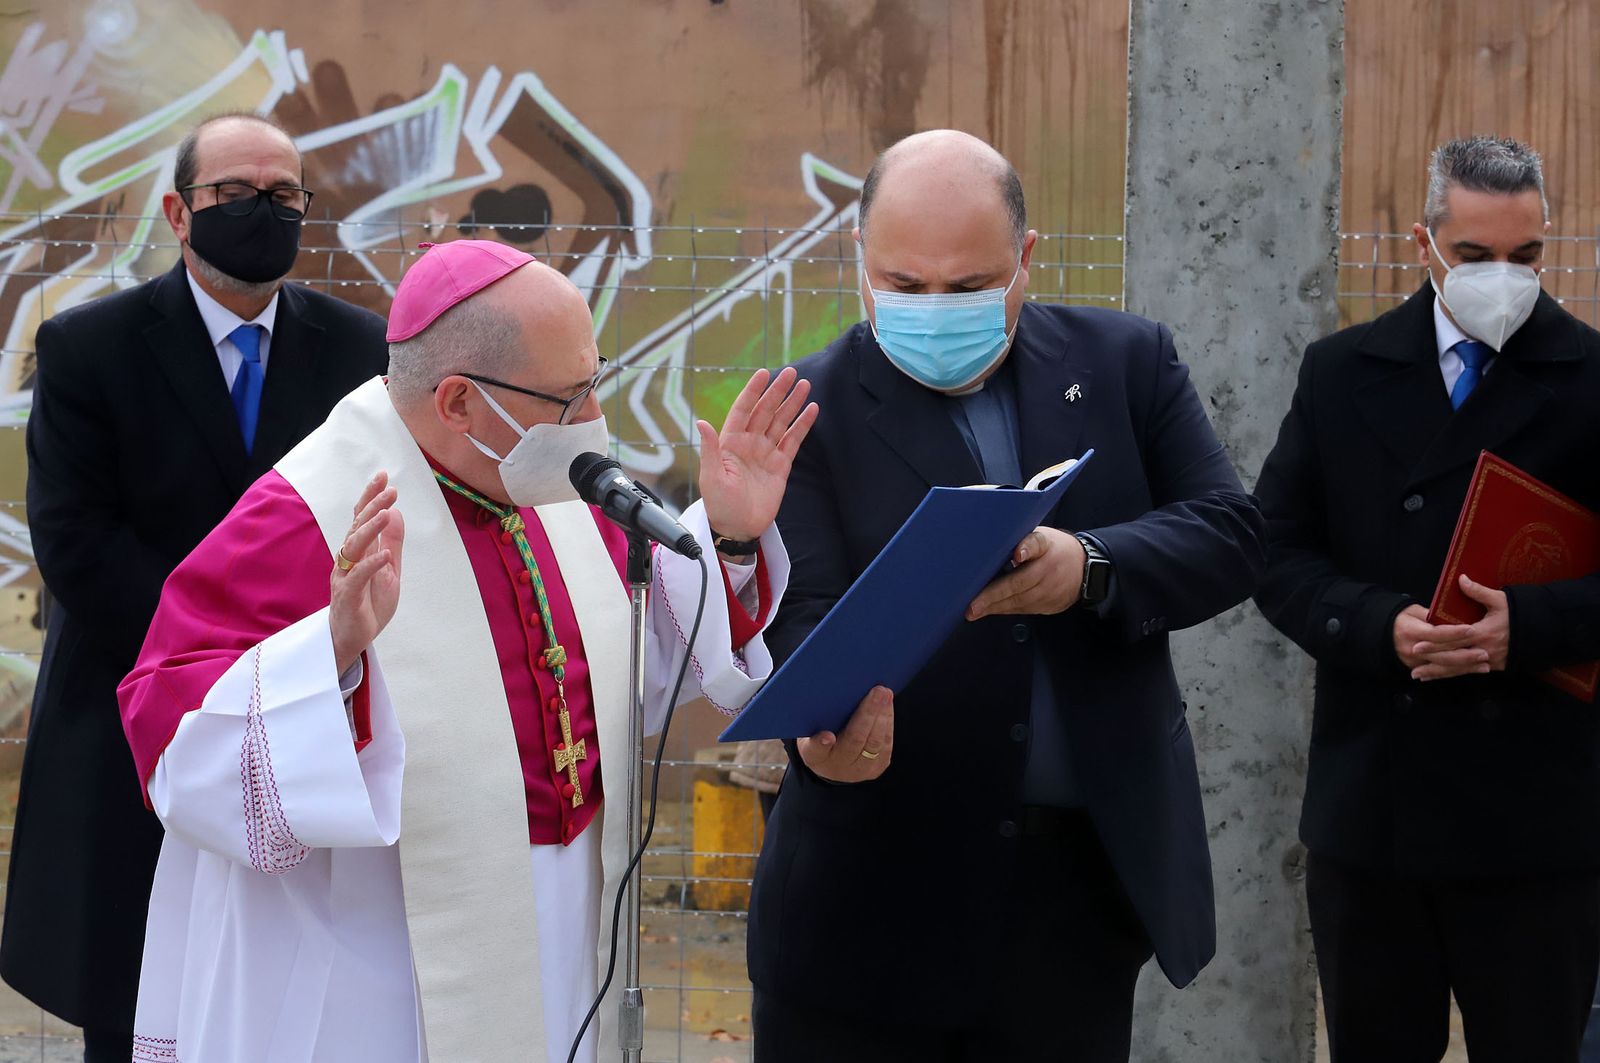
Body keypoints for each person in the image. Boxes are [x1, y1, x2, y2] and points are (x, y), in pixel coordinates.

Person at [116, 238, 816, 1063]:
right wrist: (332, 651)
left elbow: (635, 665)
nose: (593, 418)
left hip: (570, 924)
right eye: (568, 395)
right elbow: (169, 733)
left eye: (596, 380)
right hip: (384, 962)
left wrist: (729, 534)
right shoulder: (306, 514)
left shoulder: (540, 480)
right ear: (458, 402)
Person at [745, 129, 1265, 1062]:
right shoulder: (806, 412)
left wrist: (1089, 566)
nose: (934, 309)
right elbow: (800, 623)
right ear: (859, 263)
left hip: (1076, 899)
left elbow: (1231, 532)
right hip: (873, 903)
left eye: (969, 285)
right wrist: (821, 739)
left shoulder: (1125, 361)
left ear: (1025, 261)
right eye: (904, 286)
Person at [2, 112, 387, 1062]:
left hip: (311, 721)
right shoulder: (89, 348)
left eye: (285, 194)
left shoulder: (362, 355)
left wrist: (295, 665)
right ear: (178, 212)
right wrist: (227, 658)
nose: (264, 210)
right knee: (134, 1006)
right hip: (135, 722)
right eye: (234, 194)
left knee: (293, 996)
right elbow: (76, 544)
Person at [1254, 136, 1600, 1063]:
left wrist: (1525, 628)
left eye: (1526, 256)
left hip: (1538, 820)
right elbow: (1276, 552)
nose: (1506, 279)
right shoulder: (1340, 373)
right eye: (1477, 256)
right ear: (1423, 244)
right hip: (1375, 814)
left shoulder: (1592, 378)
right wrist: (1375, 623)